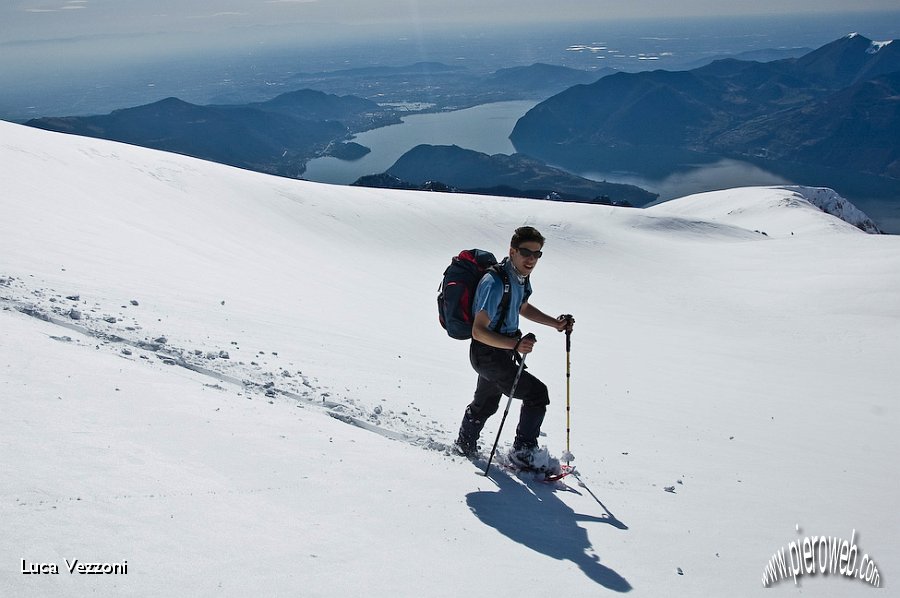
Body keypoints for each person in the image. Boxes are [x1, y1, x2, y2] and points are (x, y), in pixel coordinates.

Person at [454, 226, 574, 469]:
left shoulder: (518, 278)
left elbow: (522, 306)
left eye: (537, 254)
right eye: (526, 252)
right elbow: (478, 330)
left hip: (499, 352)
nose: (531, 259)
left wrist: (555, 324)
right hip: (488, 353)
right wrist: (515, 344)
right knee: (537, 394)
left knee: (486, 402)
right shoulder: (495, 282)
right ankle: (523, 453)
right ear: (512, 251)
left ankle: (464, 444)